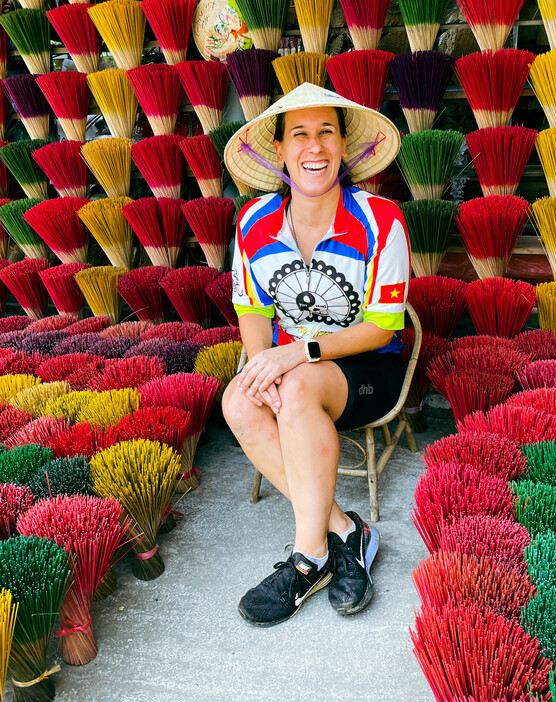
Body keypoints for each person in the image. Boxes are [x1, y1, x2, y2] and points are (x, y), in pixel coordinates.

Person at [222, 83, 411, 627]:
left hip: (367, 367)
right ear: (279, 151)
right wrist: (261, 366)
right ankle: (349, 532)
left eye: (326, 131)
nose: (315, 146)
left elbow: (381, 327)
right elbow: (252, 308)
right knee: (239, 402)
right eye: (299, 134)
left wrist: (294, 356)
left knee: (299, 387)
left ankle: (309, 558)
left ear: (344, 145)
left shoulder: (380, 219)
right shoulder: (254, 221)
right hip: (293, 362)